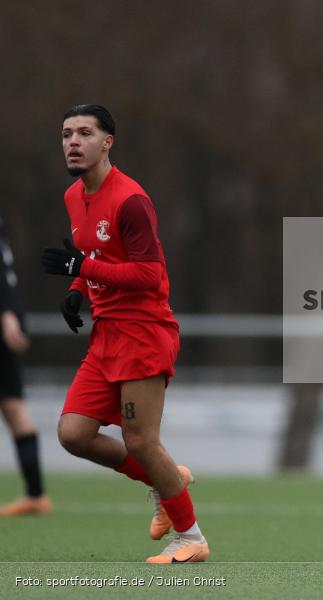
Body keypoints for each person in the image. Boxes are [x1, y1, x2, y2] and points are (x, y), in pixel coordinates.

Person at [41, 104, 208, 563]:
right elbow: (93, 251)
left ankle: (191, 537)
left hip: (143, 331)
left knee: (140, 440)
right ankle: (167, 477)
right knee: (73, 433)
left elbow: (149, 275)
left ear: (107, 142)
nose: (73, 142)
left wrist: (82, 268)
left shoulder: (131, 199)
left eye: (84, 133)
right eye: (66, 133)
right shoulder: (73, 196)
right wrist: (78, 288)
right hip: (107, 332)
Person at [0, 216, 51, 516]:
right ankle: (35, 493)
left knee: (14, 407)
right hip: (8, 315)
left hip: (3, 317)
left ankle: (36, 494)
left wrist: (6, 314)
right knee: (13, 406)